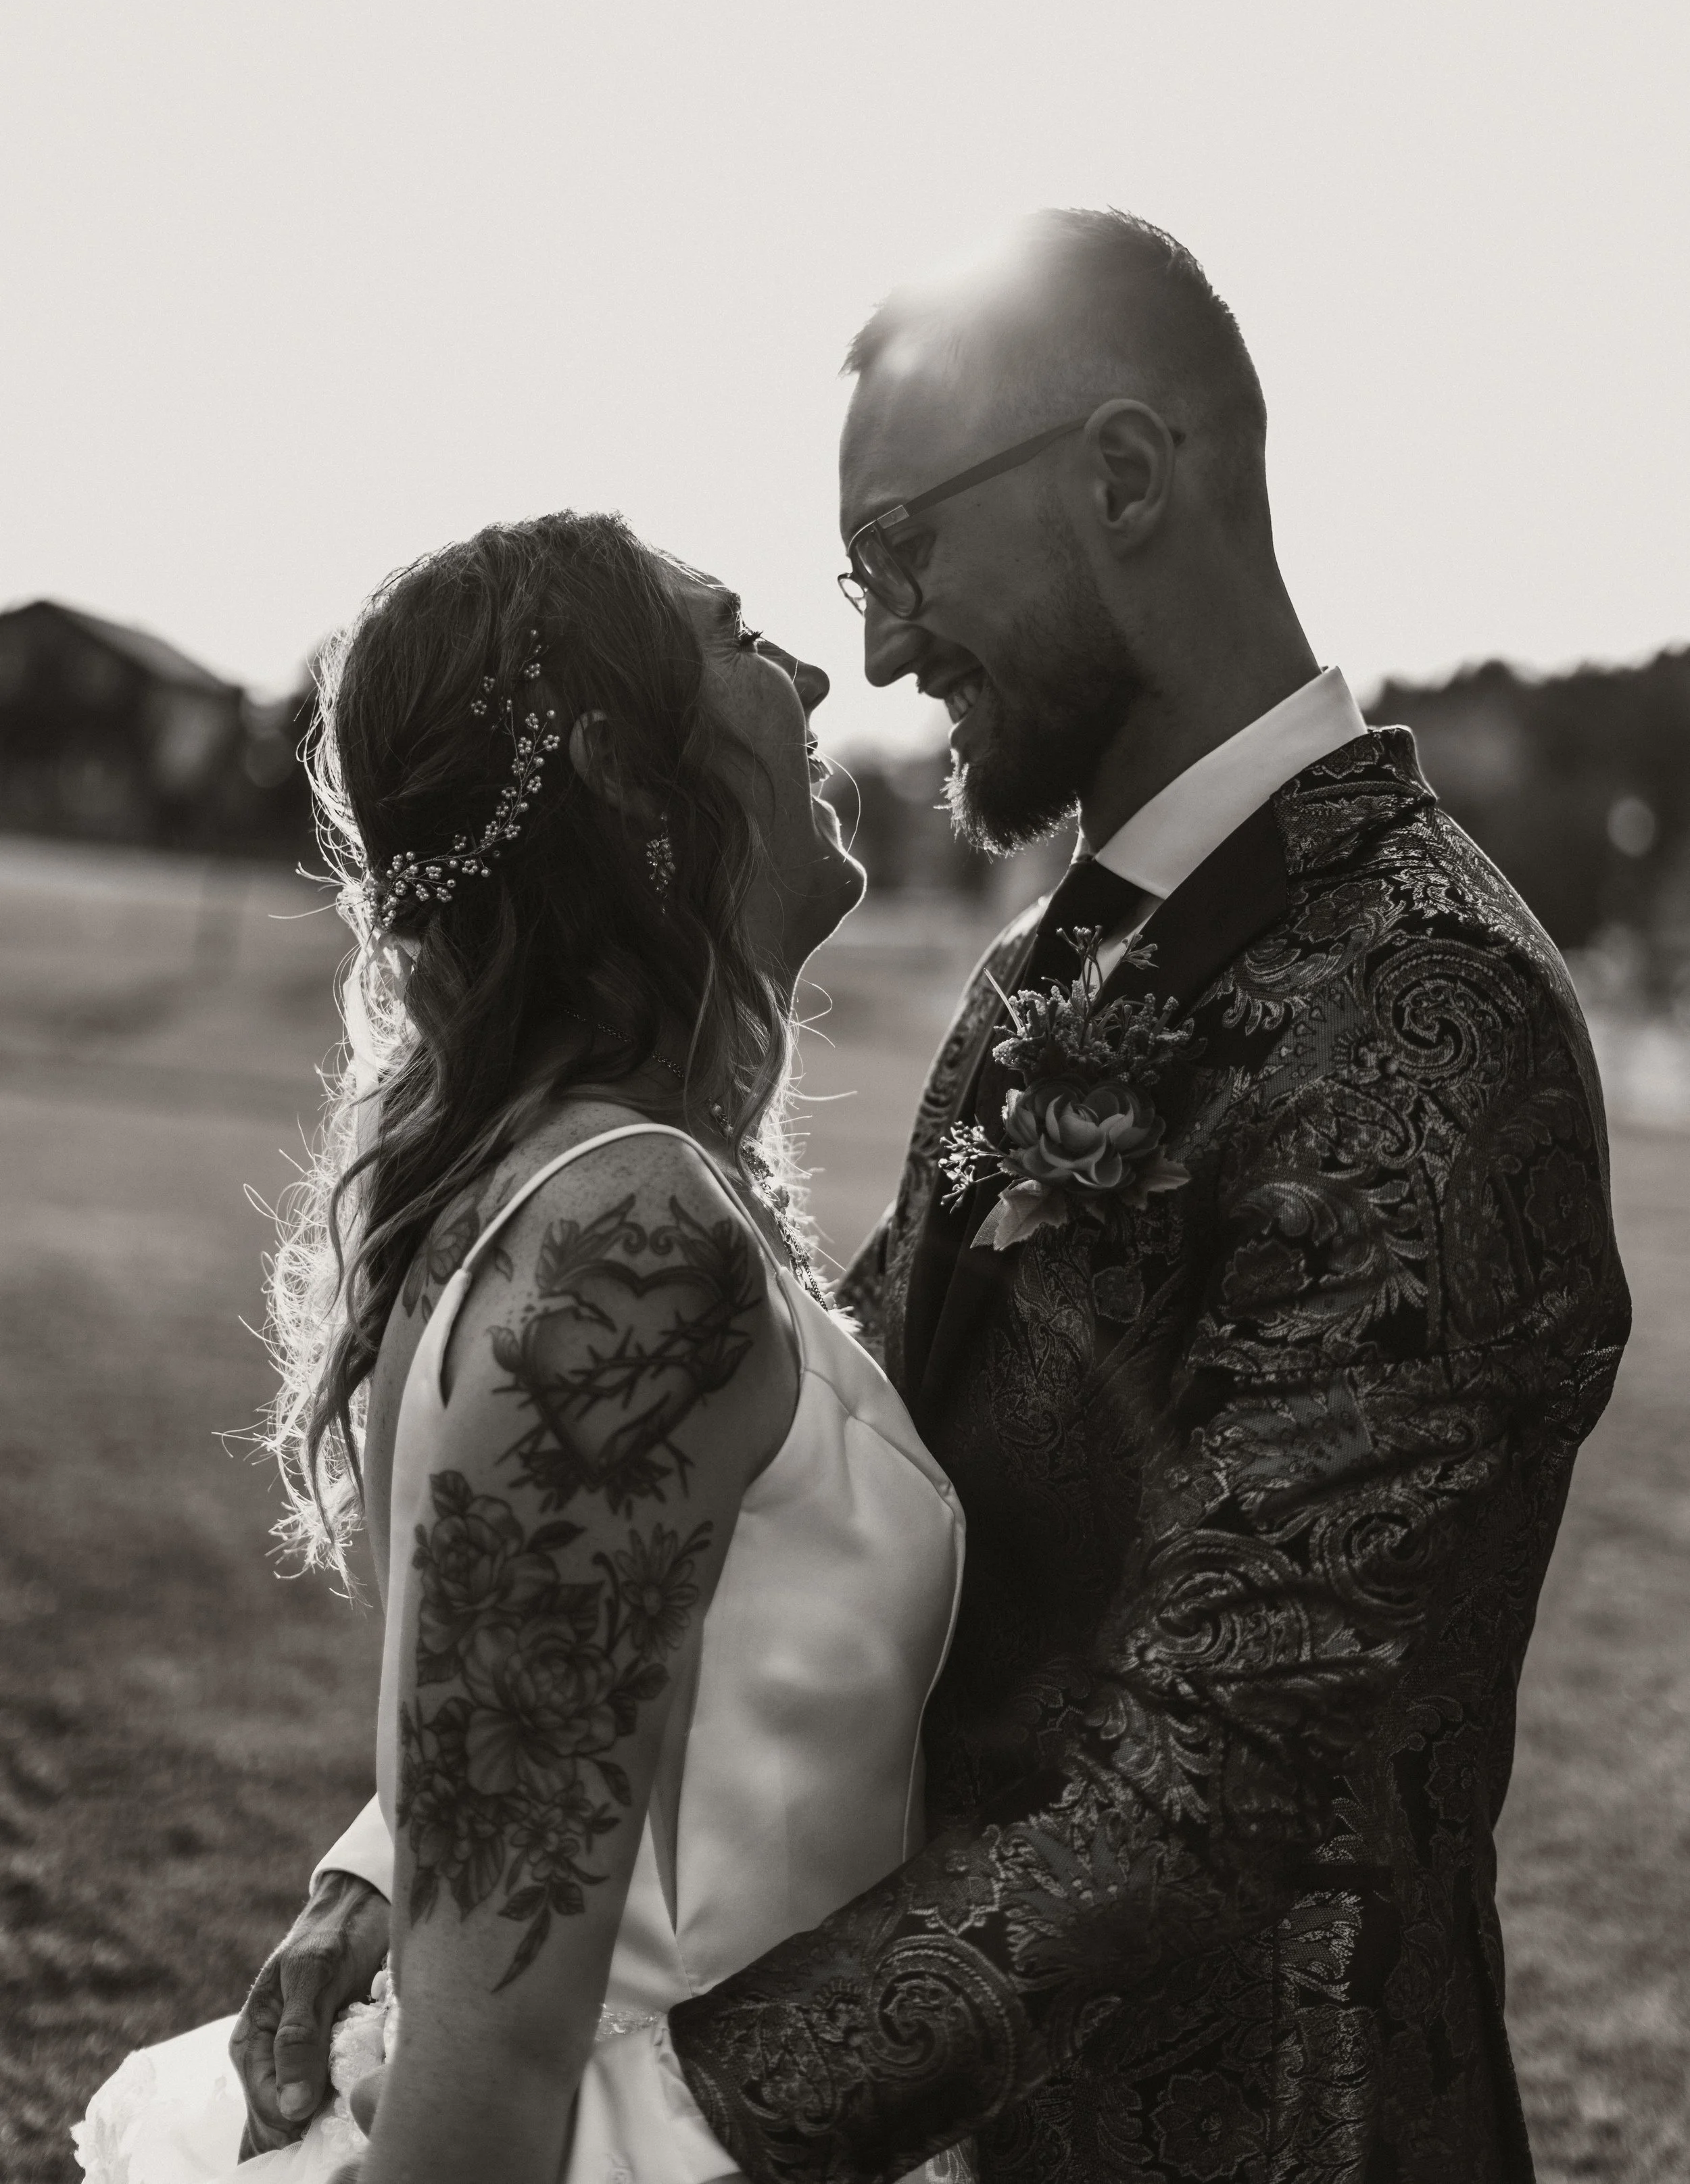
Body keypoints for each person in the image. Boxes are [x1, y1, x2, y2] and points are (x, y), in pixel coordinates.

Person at [238, 209, 1632, 2184]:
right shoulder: (1046, 977)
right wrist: (431, 1850)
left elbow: (1212, 1780)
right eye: (845, 576)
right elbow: (820, 1443)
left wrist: (659, 2126)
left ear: (1125, 480)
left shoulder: (1430, 1011)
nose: (876, 645)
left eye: (901, 550)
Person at [72, 512, 966, 2184]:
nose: (812, 673)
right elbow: (494, 2042)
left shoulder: (585, 1183)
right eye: (744, 637)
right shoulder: (625, 1246)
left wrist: (386, 1842)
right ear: (632, 770)